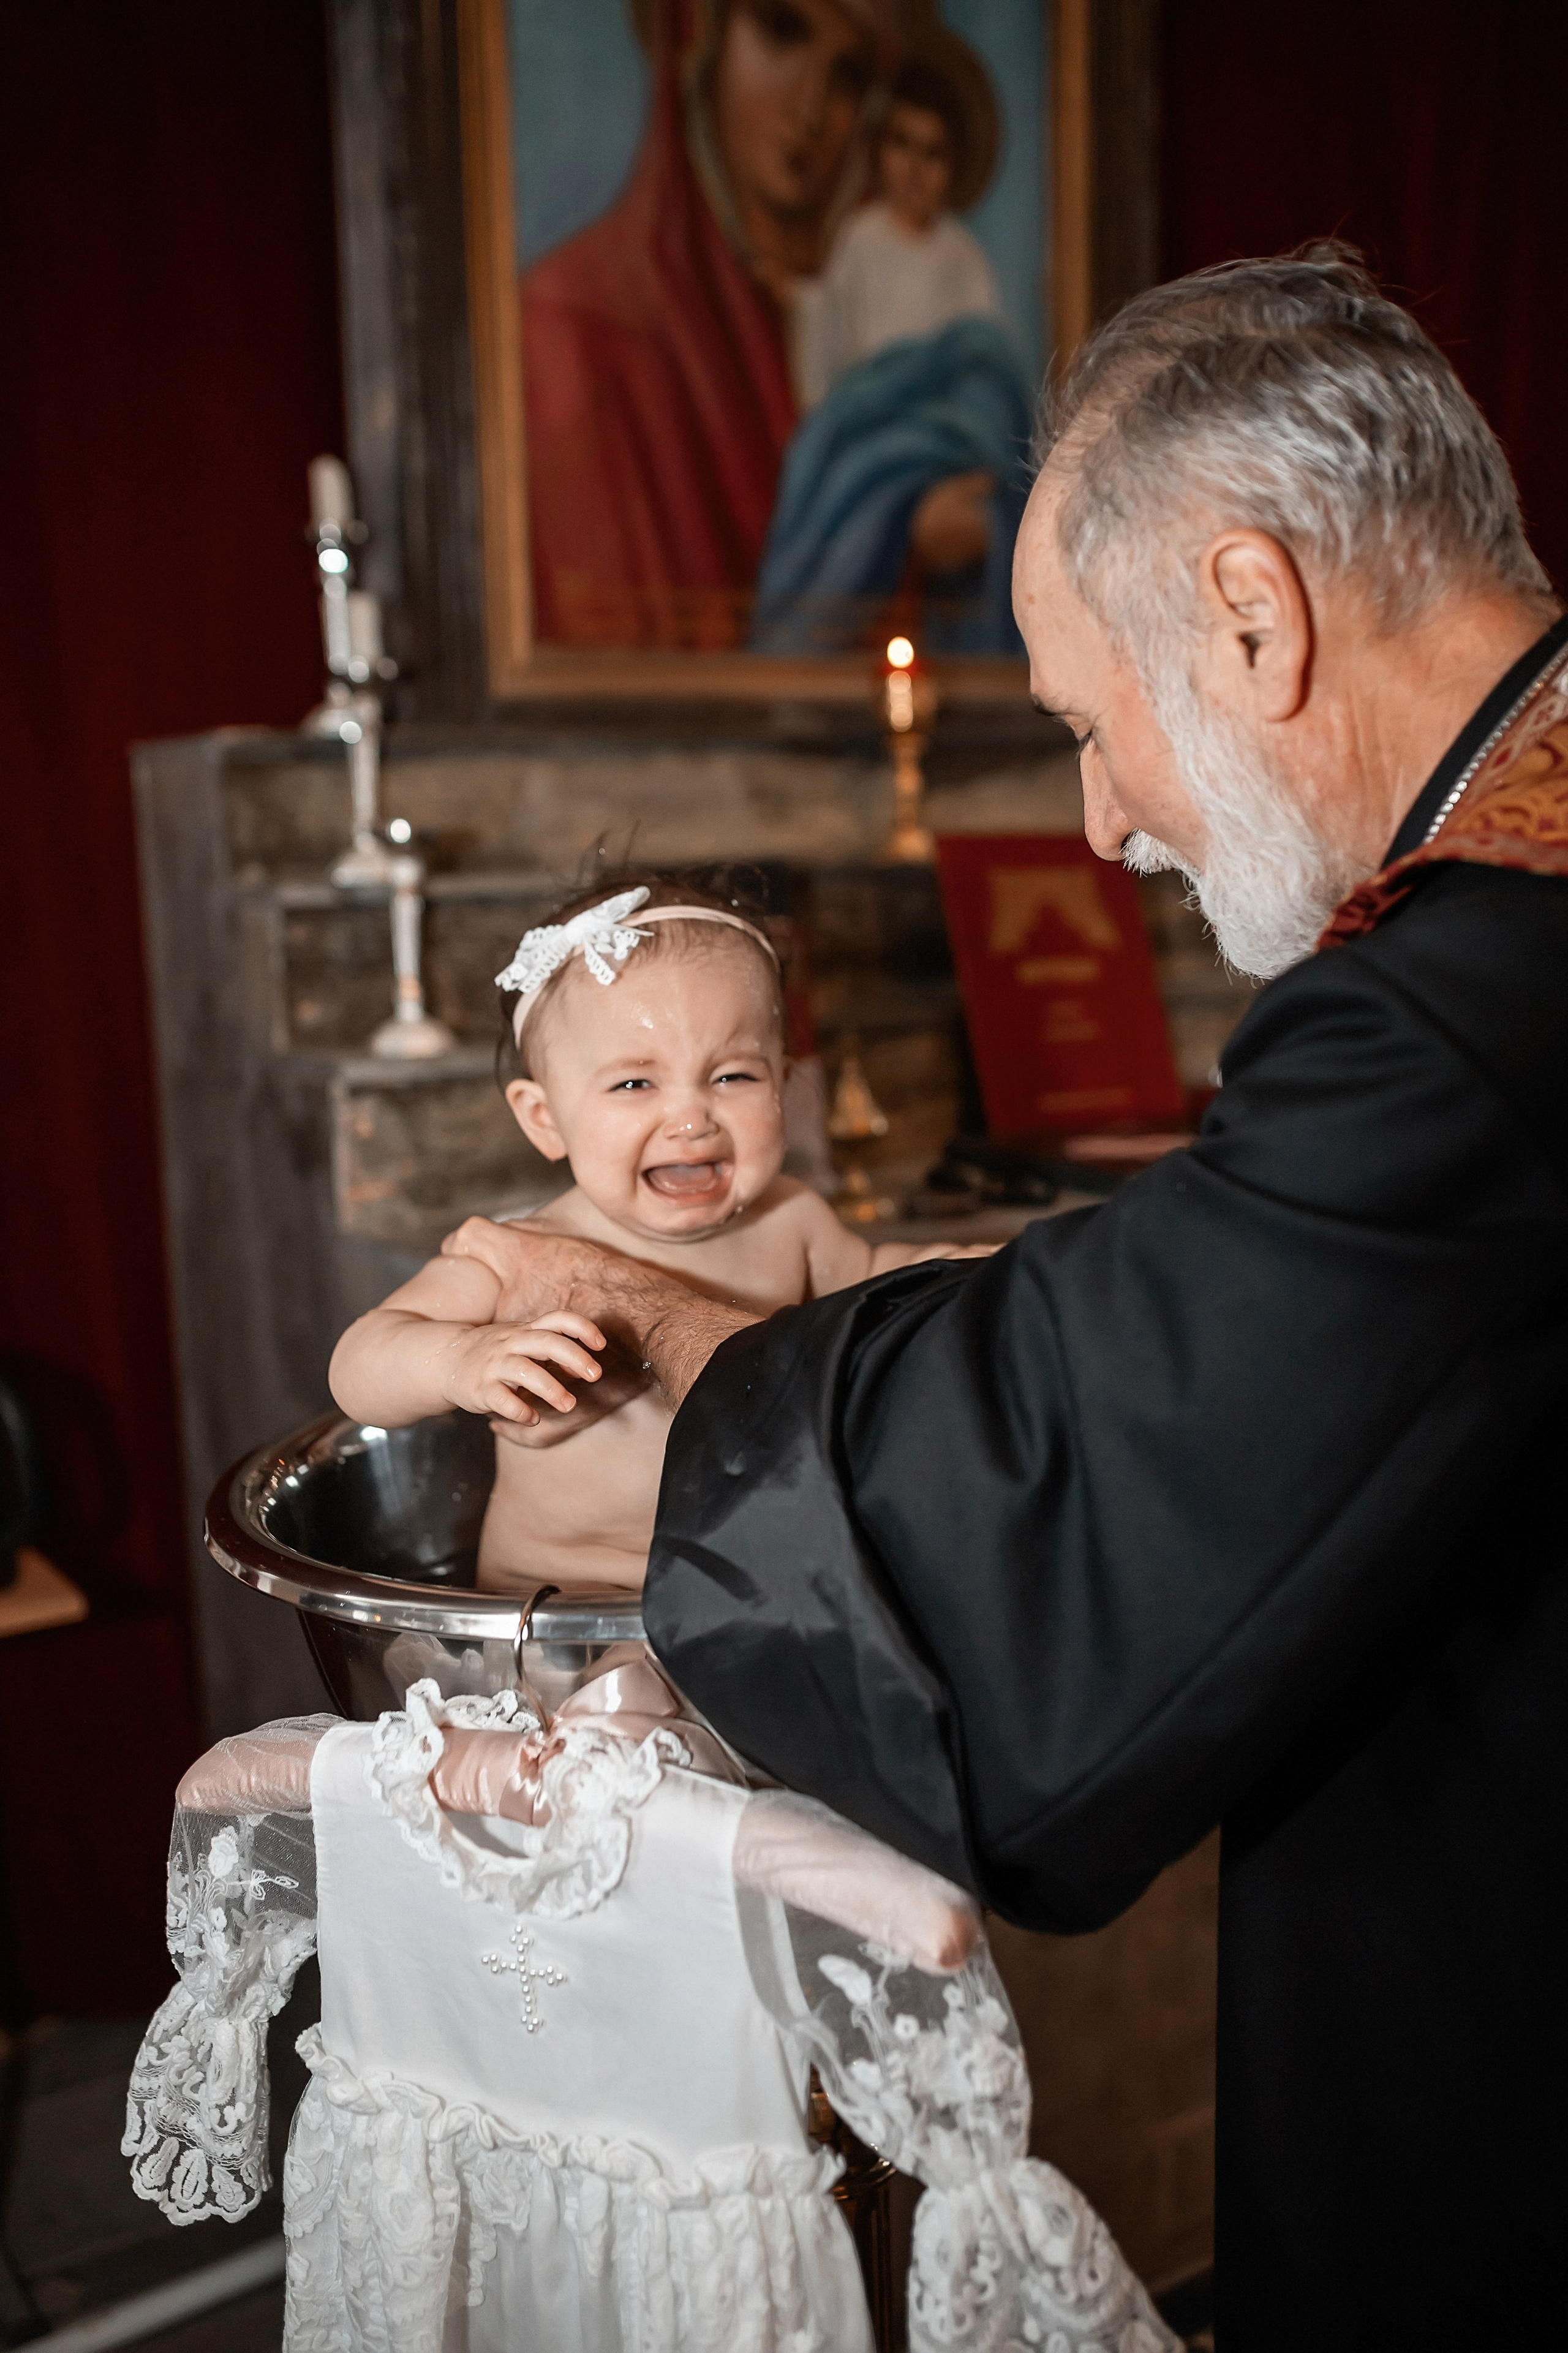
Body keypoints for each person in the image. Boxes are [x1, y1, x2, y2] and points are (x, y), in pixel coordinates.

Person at [439, 250, 1568, 2346]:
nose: (1105, 825)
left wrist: (706, 1363)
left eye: (1083, 721)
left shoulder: (1469, 999)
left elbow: (1112, 1475)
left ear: (1251, 611)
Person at [328, 872, 990, 1593]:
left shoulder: (792, 1219)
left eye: (733, 1076)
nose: (691, 1118)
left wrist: (976, 1266)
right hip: (565, 1600)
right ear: (543, 1118)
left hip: (747, 1589)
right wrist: (463, 1357)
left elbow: (878, 1278)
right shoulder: (517, 1254)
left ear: (785, 1085)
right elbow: (358, 1364)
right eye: (634, 1084)